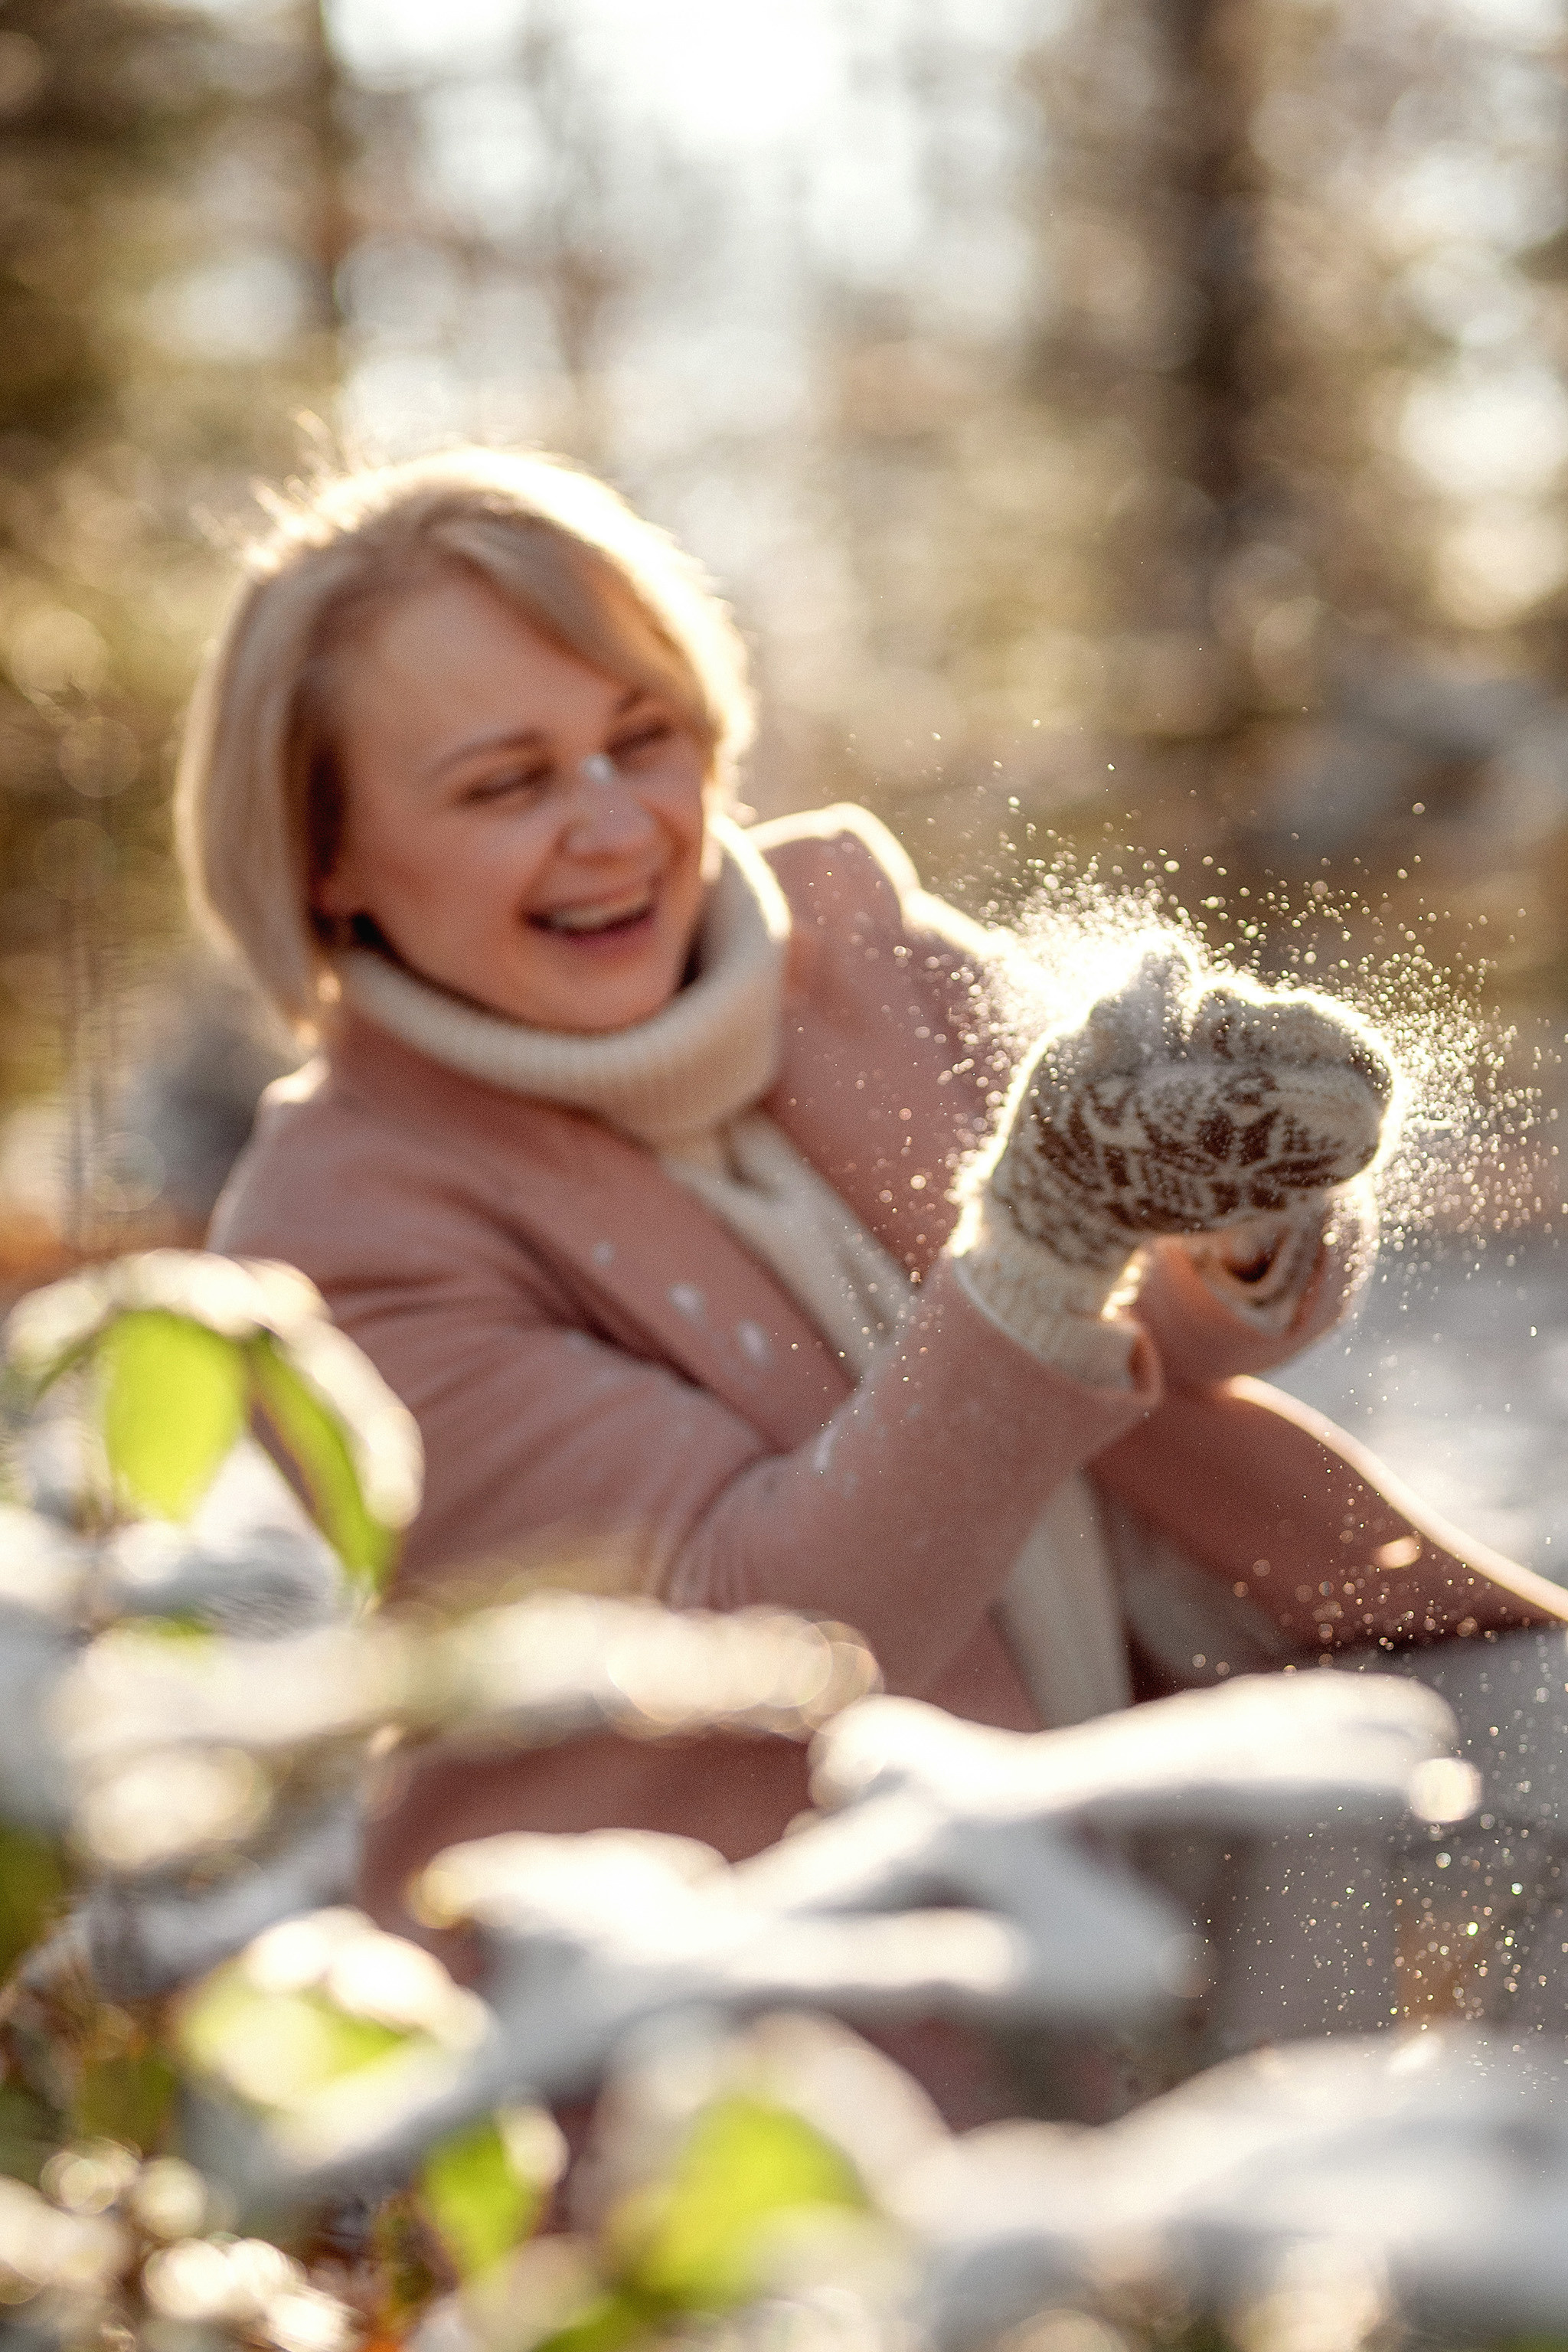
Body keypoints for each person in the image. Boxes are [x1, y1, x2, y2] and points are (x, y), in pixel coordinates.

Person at [181, 448, 1566, 1957]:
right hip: (814, 1962)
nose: (614, 821)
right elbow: (758, 1637)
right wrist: (1049, 1231)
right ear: (325, 863)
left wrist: (1237, 1199)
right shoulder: (334, 1238)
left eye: (642, 738)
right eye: (508, 781)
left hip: (1196, 1727)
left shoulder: (847, 940)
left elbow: (1185, 1324)